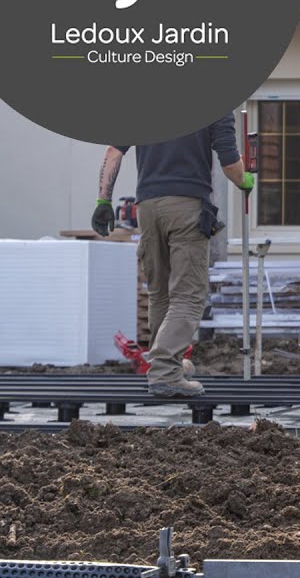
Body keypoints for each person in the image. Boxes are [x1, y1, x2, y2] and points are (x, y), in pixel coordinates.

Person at [93, 115, 253, 397]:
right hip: (187, 205)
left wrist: (103, 200)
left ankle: (169, 365)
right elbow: (230, 165)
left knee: (161, 294)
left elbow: (113, 151)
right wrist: (245, 179)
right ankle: (165, 372)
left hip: (148, 207)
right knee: (188, 296)